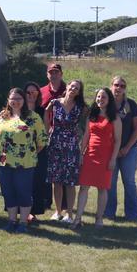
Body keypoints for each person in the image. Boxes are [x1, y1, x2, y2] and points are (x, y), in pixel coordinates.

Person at [0, 88, 46, 233]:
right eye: (12, 99)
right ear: (8, 100)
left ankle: (23, 222)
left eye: (19, 99)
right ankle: (11, 221)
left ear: (24, 100)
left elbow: (41, 141)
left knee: (23, 192)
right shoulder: (2, 116)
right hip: (4, 162)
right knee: (8, 191)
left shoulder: (33, 117)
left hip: (25, 163)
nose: (15, 101)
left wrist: (27, 153)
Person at [74, 87, 122, 228]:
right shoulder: (91, 115)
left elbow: (118, 140)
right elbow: (86, 136)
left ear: (109, 100)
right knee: (83, 187)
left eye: (104, 97)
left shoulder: (115, 118)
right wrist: (81, 154)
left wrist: (113, 159)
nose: (100, 99)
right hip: (90, 155)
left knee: (102, 188)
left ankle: (99, 219)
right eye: (98, 97)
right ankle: (78, 219)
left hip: (105, 157)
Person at [44, 79, 87, 223]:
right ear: (67, 86)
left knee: (69, 182)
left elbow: (88, 124)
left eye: (77, 88)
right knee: (56, 181)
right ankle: (57, 212)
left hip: (71, 146)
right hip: (55, 144)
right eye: (72, 86)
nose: (73, 89)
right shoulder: (55, 102)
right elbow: (46, 112)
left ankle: (69, 214)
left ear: (79, 92)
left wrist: (82, 139)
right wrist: (47, 129)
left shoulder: (81, 107)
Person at [105, 75, 137, 221]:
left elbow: (136, 129)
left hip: (129, 150)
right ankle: (108, 213)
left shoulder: (131, 104)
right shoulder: (105, 103)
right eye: (116, 85)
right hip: (110, 151)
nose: (119, 88)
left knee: (129, 182)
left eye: (122, 86)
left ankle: (132, 215)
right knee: (110, 183)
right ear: (111, 86)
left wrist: (127, 148)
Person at [24, 81, 53, 223]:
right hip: (20, 152)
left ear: (38, 95)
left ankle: (33, 212)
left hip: (38, 151)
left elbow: (46, 131)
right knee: (22, 182)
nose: (30, 95)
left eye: (34, 93)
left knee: (36, 182)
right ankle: (21, 210)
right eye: (28, 92)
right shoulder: (18, 110)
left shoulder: (42, 111)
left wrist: (37, 149)